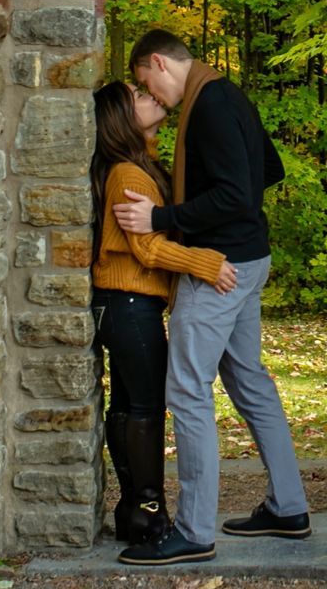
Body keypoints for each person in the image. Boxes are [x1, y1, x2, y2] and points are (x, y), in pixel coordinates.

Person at [112, 28, 310, 566]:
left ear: (157, 61)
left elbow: (235, 192)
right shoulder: (226, 95)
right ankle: (288, 507)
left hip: (219, 268)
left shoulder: (207, 108)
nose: (147, 91)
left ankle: (195, 532)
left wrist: (163, 217)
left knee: (187, 390)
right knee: (249, 379)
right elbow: (270, 170)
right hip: (249, 258)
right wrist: (236, 218)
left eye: (143, 79)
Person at [90, 80, 237, 546]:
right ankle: (149, 514)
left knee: (129, 406)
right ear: (121, 118)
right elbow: (147, 248)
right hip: (130, 305)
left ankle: (134, 511)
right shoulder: (129, 175)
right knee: (146, 409)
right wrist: (205, 263)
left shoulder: (137, 168)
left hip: (122, 305)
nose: (151, 97)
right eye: (138, 96)